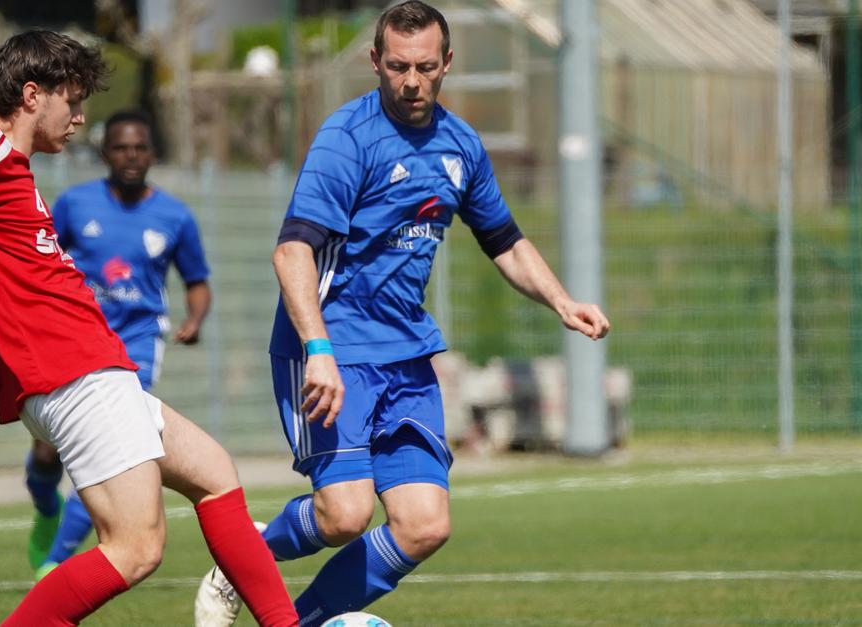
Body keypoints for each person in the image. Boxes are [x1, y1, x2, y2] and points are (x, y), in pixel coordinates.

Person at [0, 30, 296, 626]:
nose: (80, 117)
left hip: (90, 369)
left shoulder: (2, 174)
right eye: (72, 100)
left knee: (215, 475)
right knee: (136, 547)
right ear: (30, 96)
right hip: (75, 374)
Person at [193, 2, 610, 625]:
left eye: (424, 67)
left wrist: (563, 300)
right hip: (334, 351)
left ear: (447, 62)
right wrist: (318, 350)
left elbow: (504, 241)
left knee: (424, 525)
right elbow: (292, 252)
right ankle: (245, 556)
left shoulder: (462, 145)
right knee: (345, 515)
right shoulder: (347, 138)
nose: (411, 81)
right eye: (397, 66)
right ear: (375, 61)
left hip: (406, 355)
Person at [22, 109, 213, 579]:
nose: (131, 156)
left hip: (136, 346)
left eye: (140, 147)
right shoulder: (74, 205)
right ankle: (46, 507)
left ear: (152, 153)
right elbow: (41, 259)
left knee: (110, 449)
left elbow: (197, 281)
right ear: (106, 152)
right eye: (122, 147)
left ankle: (55, 562)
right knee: (46, 454)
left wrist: (194, 319)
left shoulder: (175, 215)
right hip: (73, 339)